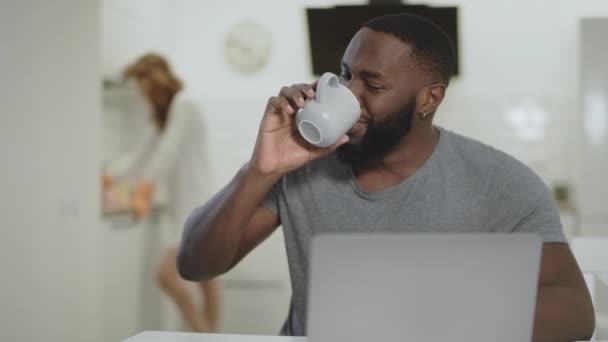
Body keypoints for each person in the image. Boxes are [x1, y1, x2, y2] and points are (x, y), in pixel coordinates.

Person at [176, 14, 595, 341]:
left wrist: (439, 329)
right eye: (344, 75)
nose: (348, 96)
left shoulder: (501, 181)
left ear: (429, 99)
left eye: (372, 84)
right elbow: (195, 265)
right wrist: (260, 171)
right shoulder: (303, 170)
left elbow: (575, 309)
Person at [103, 53, 221, 332]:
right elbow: (140, 155)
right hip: (188, 207)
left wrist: (144, 189)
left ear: (156, 78)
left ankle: (204, 334)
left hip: (199, 204)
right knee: (207, 279)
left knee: (167, 275)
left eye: (143, 84)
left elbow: (167, 153)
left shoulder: (185, 104)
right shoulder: (165, 114)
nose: (142, 93)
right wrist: (107, 178)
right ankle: (210, 336)